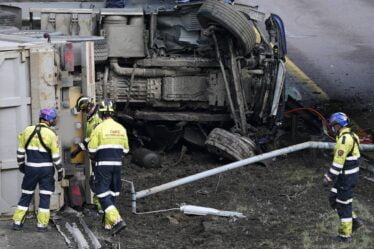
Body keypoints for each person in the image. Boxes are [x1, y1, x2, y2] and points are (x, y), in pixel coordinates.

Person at [12, 108, 63, 232]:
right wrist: (60, 171)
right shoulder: (51, 134)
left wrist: (21, 165)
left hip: (31, 169)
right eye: (54, 119)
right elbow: (55, 157)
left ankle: (17, 222)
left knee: (26, 195)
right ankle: (42, 225)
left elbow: (20, 152)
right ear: (49, 120)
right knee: (45, 197)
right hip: (46, 171)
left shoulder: (27, 130)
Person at [88, 99, 129, 235]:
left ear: (100, 113)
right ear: (112, 113)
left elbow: (92, 151)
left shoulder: (98, 128)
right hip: (117, 164)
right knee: (113, 192)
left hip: (102, 165)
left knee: (101, 192)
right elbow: (126, 150)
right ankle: (108, 224)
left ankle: (117, 221)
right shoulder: (121, 128)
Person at [323, 112, 363, 242]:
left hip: (346, 178)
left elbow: (338, 163)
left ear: (338, 125)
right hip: (346, 177)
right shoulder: (352, 135)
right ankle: (355, 221)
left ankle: (345, 236)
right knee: (333, 198)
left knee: (343, 205)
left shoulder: (344, 140)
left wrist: (328, 177)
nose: (332, 129)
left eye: (333, 126)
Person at [71, 95, 103, 212]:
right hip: (97, 155)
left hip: (101, 155)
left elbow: (91, 138)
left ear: (87, 107)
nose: (83, 113)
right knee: (96, 179)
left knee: (98, 180)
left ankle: (101, 207)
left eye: (83, 110)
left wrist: (77, 151)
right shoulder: (93, 117)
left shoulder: (98, 118)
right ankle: (98, 205)